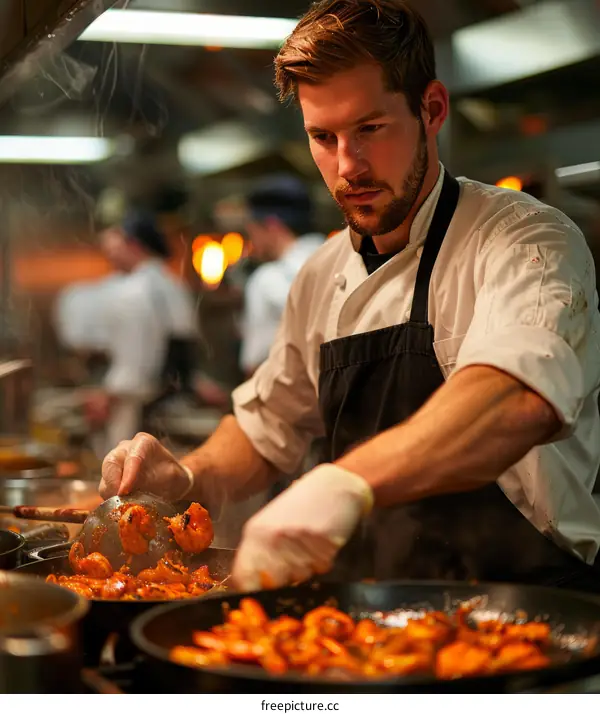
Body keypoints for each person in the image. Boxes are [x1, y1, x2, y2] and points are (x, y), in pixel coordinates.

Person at [99, 0, 600, 593]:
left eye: (369, 129)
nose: (347, 166)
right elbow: (267, 426)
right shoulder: (320, 275)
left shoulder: (523, 239)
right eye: (323, 136)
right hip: (373, 609)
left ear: (431, 109)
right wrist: (185, 474)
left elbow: (514, 399)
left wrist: (343, 482)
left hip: (529, 606)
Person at [85, 208, 202, 451]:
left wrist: (107, 396)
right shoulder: (172, 284)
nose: (110, 257)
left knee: (128, 469)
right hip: (172, 404)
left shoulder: (133, 291)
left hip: (136, 406)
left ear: (135, 246)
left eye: (115, 250)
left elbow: (134, 361)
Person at [239, 174, 325, 377]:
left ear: (272, 226)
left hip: (290, 400)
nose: (253, 241)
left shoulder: (267, 279)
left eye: (252, 231)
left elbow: (256, 364)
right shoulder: (343, 258)